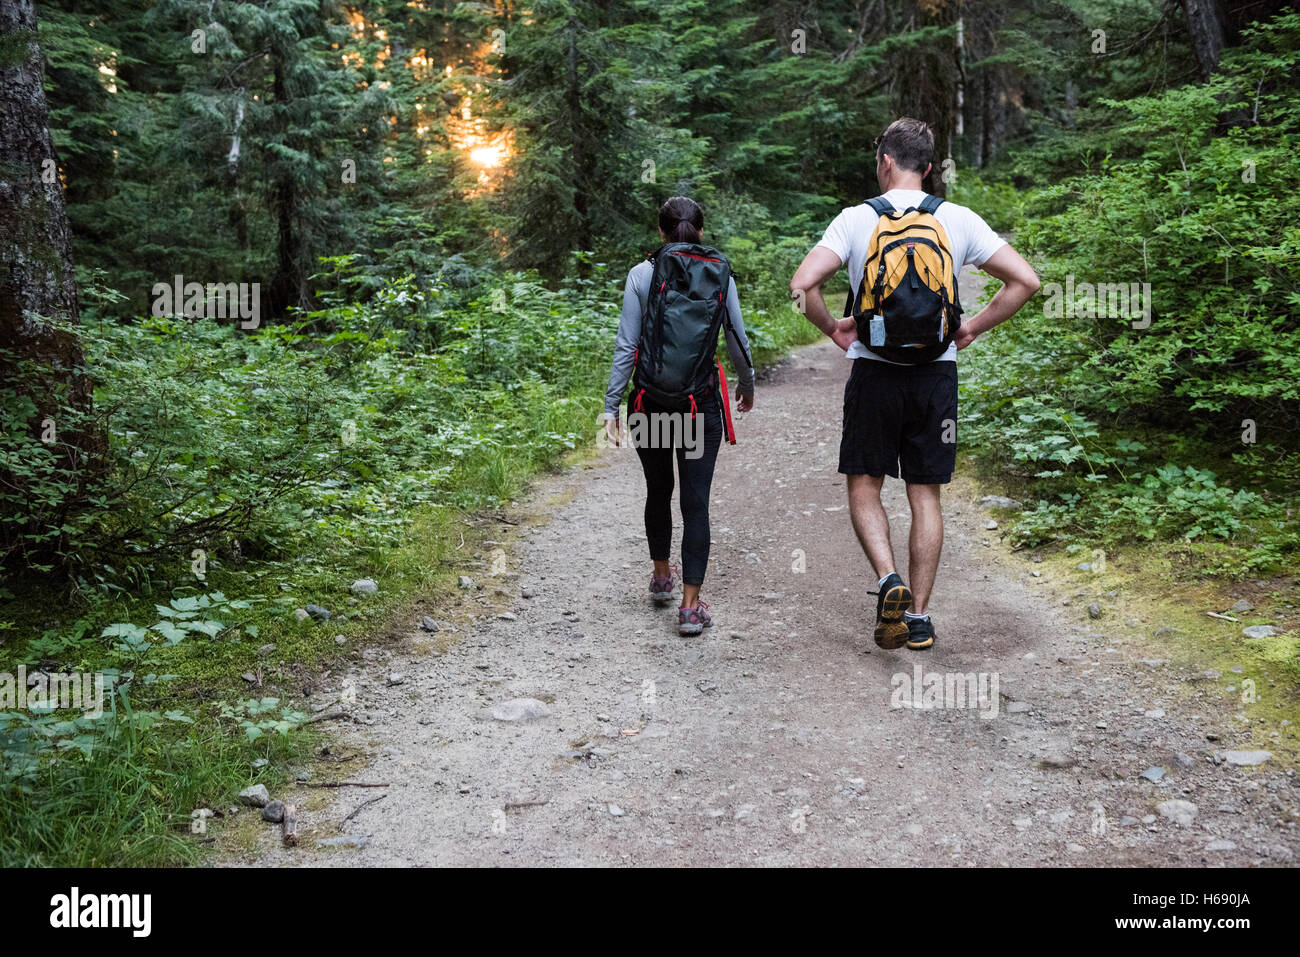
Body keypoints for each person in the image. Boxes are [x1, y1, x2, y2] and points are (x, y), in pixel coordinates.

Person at [790, 118, 1040, 651]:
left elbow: (803, 284)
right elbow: (1026, 281)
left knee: (865, 484)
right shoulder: (958, 219)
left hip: (875, 373)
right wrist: (970, 327)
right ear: (928, 167)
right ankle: (920, 617)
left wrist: (832, 327)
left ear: (884, 159)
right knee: (925, 495)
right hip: (936, 375)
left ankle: (888, 581)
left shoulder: (856, 219)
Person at [604, 196, 756, 636]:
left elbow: (627, 347)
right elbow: (737, 341)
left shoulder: (641, 274)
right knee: (695, 502)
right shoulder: (719, 273)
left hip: (651, 403)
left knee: (658, 490)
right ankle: (690, 608)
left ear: (661, 231)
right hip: (698, 406)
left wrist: (612, 404)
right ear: (701, 232)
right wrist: (746, 387)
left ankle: (660, 576)